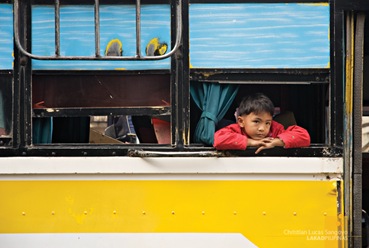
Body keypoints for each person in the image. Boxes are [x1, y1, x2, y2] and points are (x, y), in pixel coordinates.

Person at [213, 93, 310, 154]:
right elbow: (218, 139)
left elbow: (304, 136)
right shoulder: (235, 130)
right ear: (241, 121)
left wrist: (275, 142)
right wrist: (251, 142)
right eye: (256, 121)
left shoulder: (275, 129)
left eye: (267, 123)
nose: (262, 128)